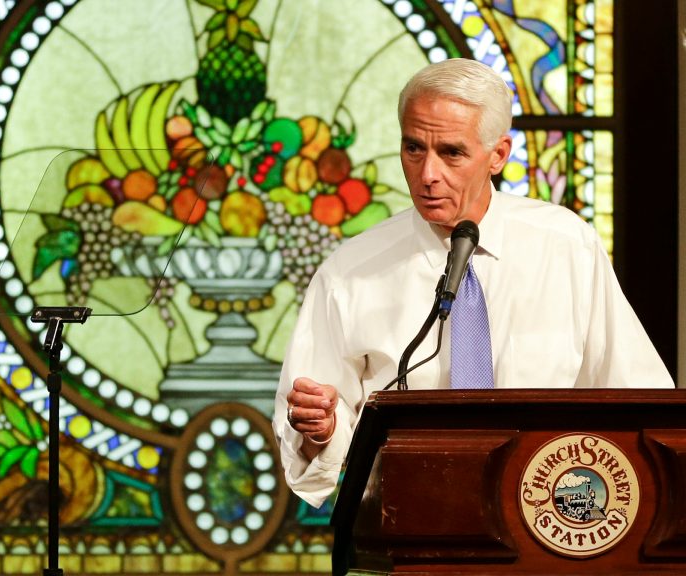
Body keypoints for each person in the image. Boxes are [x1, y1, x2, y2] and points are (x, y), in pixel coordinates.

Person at [272, 58, 674, 508]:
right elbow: (314, 450)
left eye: (451, 153)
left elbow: (639, 401)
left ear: (498, 154)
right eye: (413, 149)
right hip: (412, 524)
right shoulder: (350, 271)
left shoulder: (566, 247)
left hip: (553, 518)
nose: (427, 174)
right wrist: (321, 431)